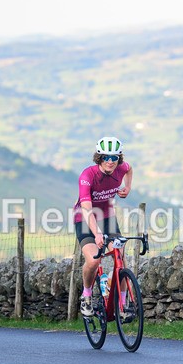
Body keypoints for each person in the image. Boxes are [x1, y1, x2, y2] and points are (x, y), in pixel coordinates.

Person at [74, 136, 133, 317]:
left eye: (114, 157)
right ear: (99, 157)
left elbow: (130, 169)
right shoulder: (88, 176)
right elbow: (86, 209)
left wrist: (128, 187)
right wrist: (97, 234)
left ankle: (122, 304)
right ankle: (86, 295)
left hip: (107, 217)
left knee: (120, 256)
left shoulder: (121, 168)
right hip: (85, 219)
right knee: (94, 259)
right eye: (106, 157)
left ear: (119, 158)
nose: (110, 161)